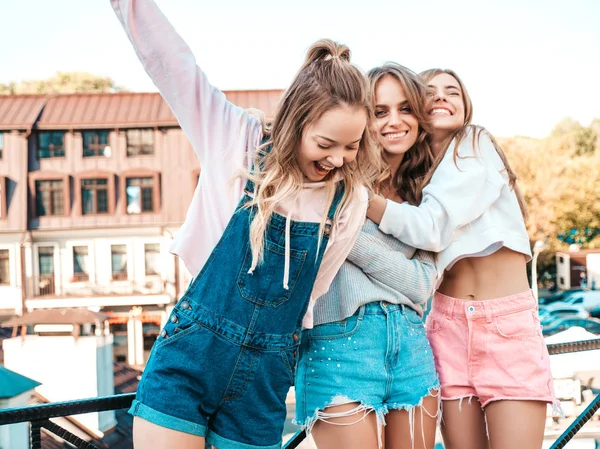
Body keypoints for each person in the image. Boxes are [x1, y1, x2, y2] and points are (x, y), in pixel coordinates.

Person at [110, 1, 381, 448]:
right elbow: (171, 62)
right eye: (325, 144)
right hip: (192, 358)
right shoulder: (235, 140)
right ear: (296, 121)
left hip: (265, 380)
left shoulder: (347, 200)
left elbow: (312, 293)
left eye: (351, 147)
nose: (338, 160)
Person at [367, 68, 558, 449]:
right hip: (446, 326)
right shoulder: (415, 173)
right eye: (430, 91)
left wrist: (361, 201)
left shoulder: (475, 144)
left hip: (505, 325)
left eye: (452, 91)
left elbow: (432, 227)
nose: (441, 97)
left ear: (465, 105)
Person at [294, 63, 439, 449]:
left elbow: (422, 285)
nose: (395, 121)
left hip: (410, 345)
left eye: (406, 108)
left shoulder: (425, 194)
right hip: (339, 341)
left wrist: (351, 232)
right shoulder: (330, 173)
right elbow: (321, 238)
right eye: (379, 111)